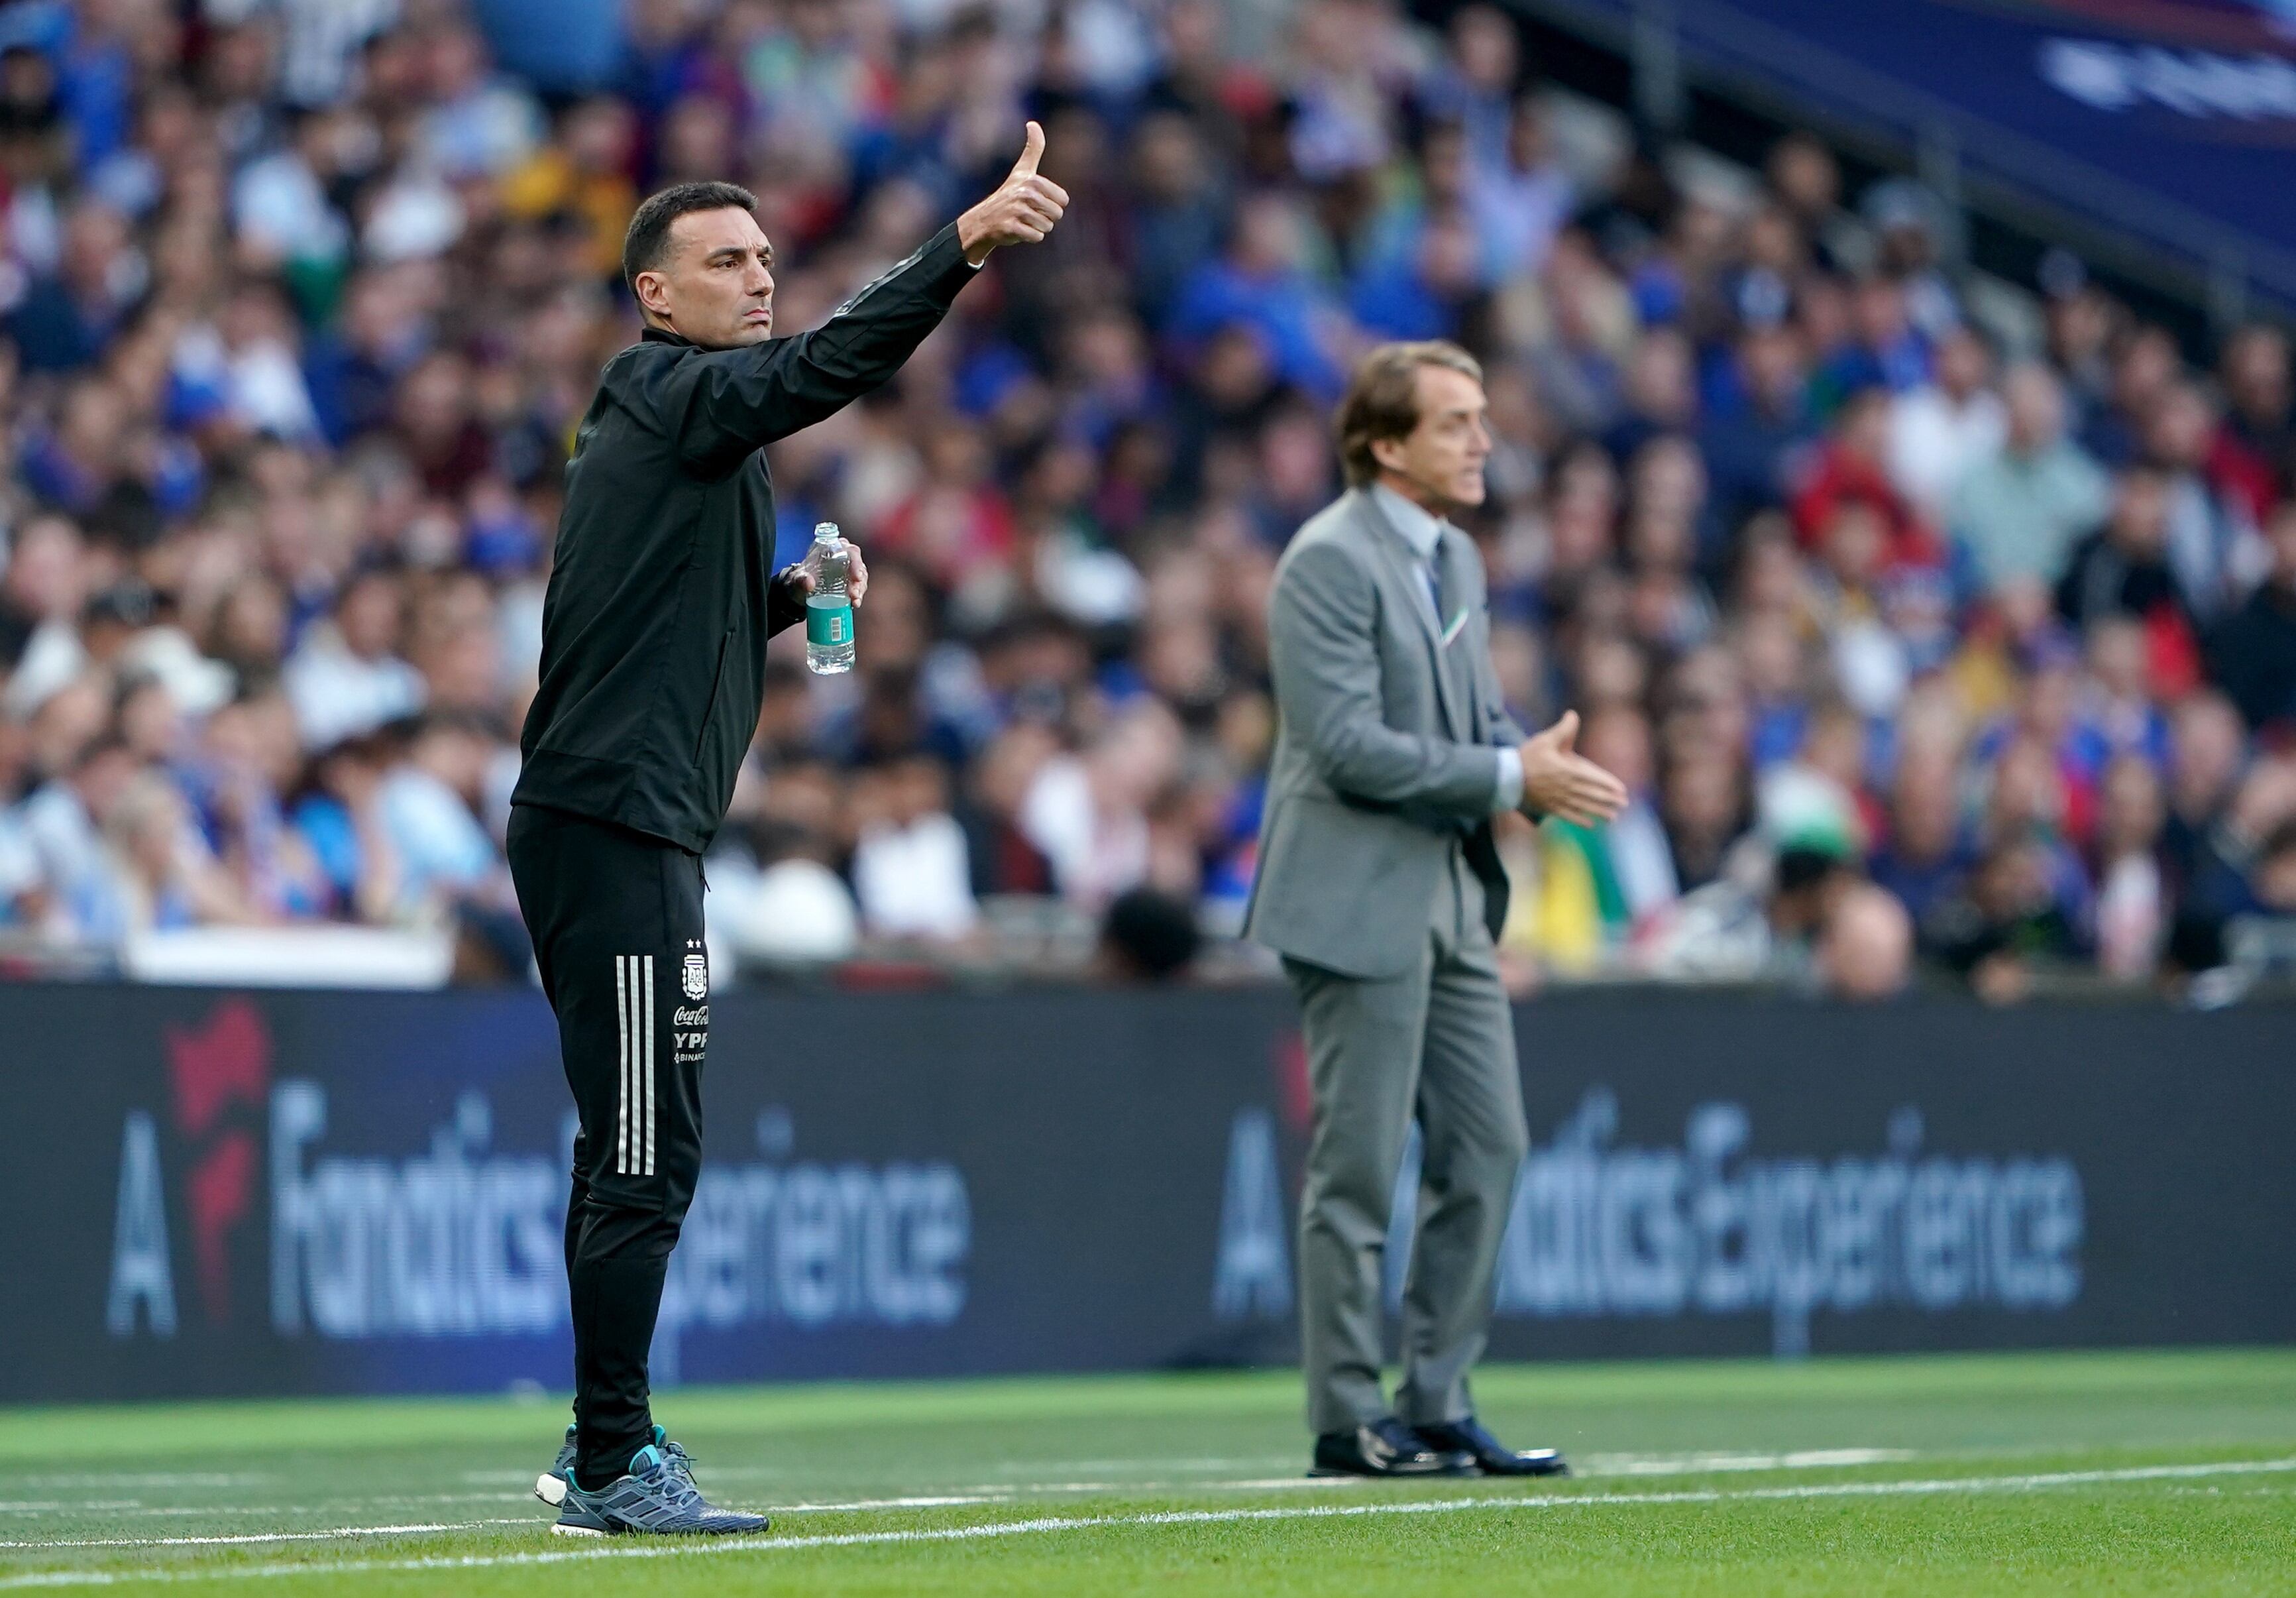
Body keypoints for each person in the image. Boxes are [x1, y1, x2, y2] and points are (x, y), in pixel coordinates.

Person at [507, 129, 1067, 1536]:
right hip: (614, 825)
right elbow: (826, 367)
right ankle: (610, 1460)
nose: (758, 280)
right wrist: (962, 247)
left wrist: (779, 595)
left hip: (635, 826)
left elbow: (641, 613)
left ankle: (606, 1446)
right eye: (725, 262)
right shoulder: (670, 386)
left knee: (644, 1144)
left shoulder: (673, 426)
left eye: (764, 258)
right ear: (653, 294)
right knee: (643, 1148)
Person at [1245, 340, 1627, 1479]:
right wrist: (1516, 782)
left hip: (1451, 898)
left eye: (1480, 418)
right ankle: (1345, 1417)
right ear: (1385, 444)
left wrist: (1523, 754)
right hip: (1356, 899)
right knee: (1357, 1168)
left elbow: (1469, 717)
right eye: (1456, 422)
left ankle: (1439, 1396)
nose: (1483, 441)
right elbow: (1349, 747)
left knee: (1490, 1143)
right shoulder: (1324, 561)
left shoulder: (1452, 559)